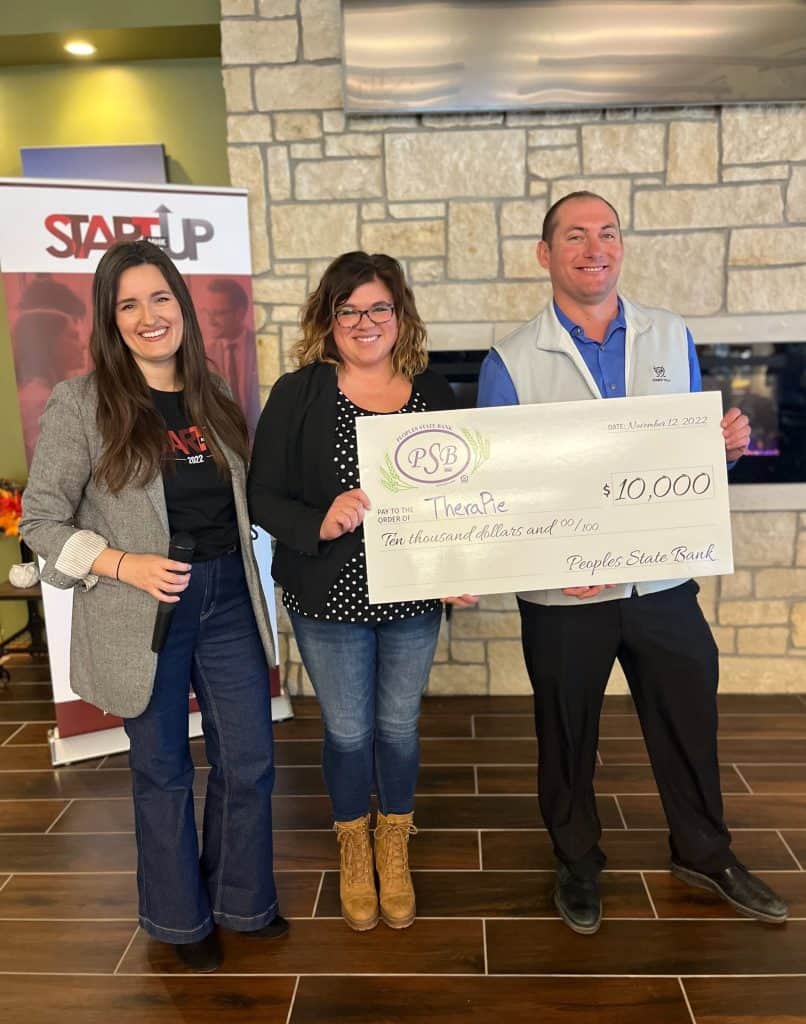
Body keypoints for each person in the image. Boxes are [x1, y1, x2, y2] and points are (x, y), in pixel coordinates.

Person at [477, 191, 788, 934]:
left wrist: (726, 451)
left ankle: (705, 853)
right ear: (544, 254)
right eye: (575, 235)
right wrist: (550, 565)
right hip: (566, 593)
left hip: (661, 582)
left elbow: (685, 459)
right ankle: (578, 863)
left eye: (608, 233)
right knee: (566, 732)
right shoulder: (510, 361)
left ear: (623, 246)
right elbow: (498, 490)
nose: (595, 247)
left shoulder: (670, 335)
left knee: (689, 717)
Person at [21, 240, 287, 972]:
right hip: (144, 609)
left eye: (160, 298)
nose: (148, 316)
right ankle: (178, 918)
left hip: (228, 597)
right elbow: (39, 521)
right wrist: (121, 563)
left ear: (182, 306)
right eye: (128, 304)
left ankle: (240, 898)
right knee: (163, 769)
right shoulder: (83, 402)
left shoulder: (214, 395)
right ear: (110, 319)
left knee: (250, 759)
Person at [248, 251, 476, 932]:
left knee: (398, 728)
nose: (364, 321)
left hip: (413, 597)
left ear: (400, 314)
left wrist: (465, 567)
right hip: (328, 598)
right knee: (348, 732)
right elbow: (261, 494)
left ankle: (393, 844)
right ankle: (354, 845)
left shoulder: (433, 391)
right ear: (329, 319)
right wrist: (317, 520)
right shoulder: (299, 392)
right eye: (348, 309)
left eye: (378, 307)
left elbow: (463, 497)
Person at [201, 277, 261, 435]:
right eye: (207, 313)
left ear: (240, 313)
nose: (211, 321)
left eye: (219, 313)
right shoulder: (203, 354)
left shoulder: (261, 347)